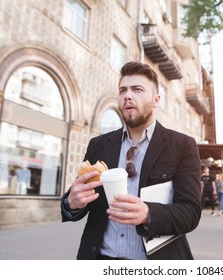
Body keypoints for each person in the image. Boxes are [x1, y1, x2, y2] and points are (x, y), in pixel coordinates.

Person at [61, 61, 202, 260]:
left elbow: (191, 212)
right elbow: (78, 197)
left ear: (156, 100)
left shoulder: (182, 145)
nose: (127, 95)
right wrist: (71, 202)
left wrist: (148, 214)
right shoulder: (98, 145)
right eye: (122, 90)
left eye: (137, 89)